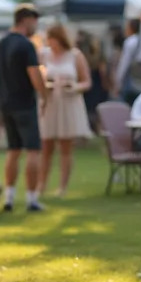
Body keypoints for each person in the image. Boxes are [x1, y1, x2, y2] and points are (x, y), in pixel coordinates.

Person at [0, 5, 50, 212]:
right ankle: (32, 199)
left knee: (13, 150)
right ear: (26, 20)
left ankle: (9, 197)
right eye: (34, 21)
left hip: (5, 102)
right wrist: (44, 96)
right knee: (33, 150)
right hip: (25, 103)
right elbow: (35, 75)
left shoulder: (0, 44)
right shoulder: (26, 45)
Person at [38, 24, 92, 198]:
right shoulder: (44, 54)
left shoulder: (75, 56)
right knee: (46, 147)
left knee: (66, 147)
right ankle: (41, 185)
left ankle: (62, 186)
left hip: (69, 102)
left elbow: (86, 81)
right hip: (50, 102)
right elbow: (39, 77)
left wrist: (74, 87)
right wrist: (46, 86)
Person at [114, 17, 141, 104]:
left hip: (131, 82)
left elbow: (124, 64)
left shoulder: (130, 41)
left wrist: (118, 82)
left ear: (131, 28)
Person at [77, 31, 110, 132]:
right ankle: (97, 127)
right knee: (96, 105)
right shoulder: (98, 54)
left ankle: (92, 127)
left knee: (90, 105)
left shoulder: (82, 53)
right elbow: (103, 69)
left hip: (91, 80)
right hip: (96, 80)